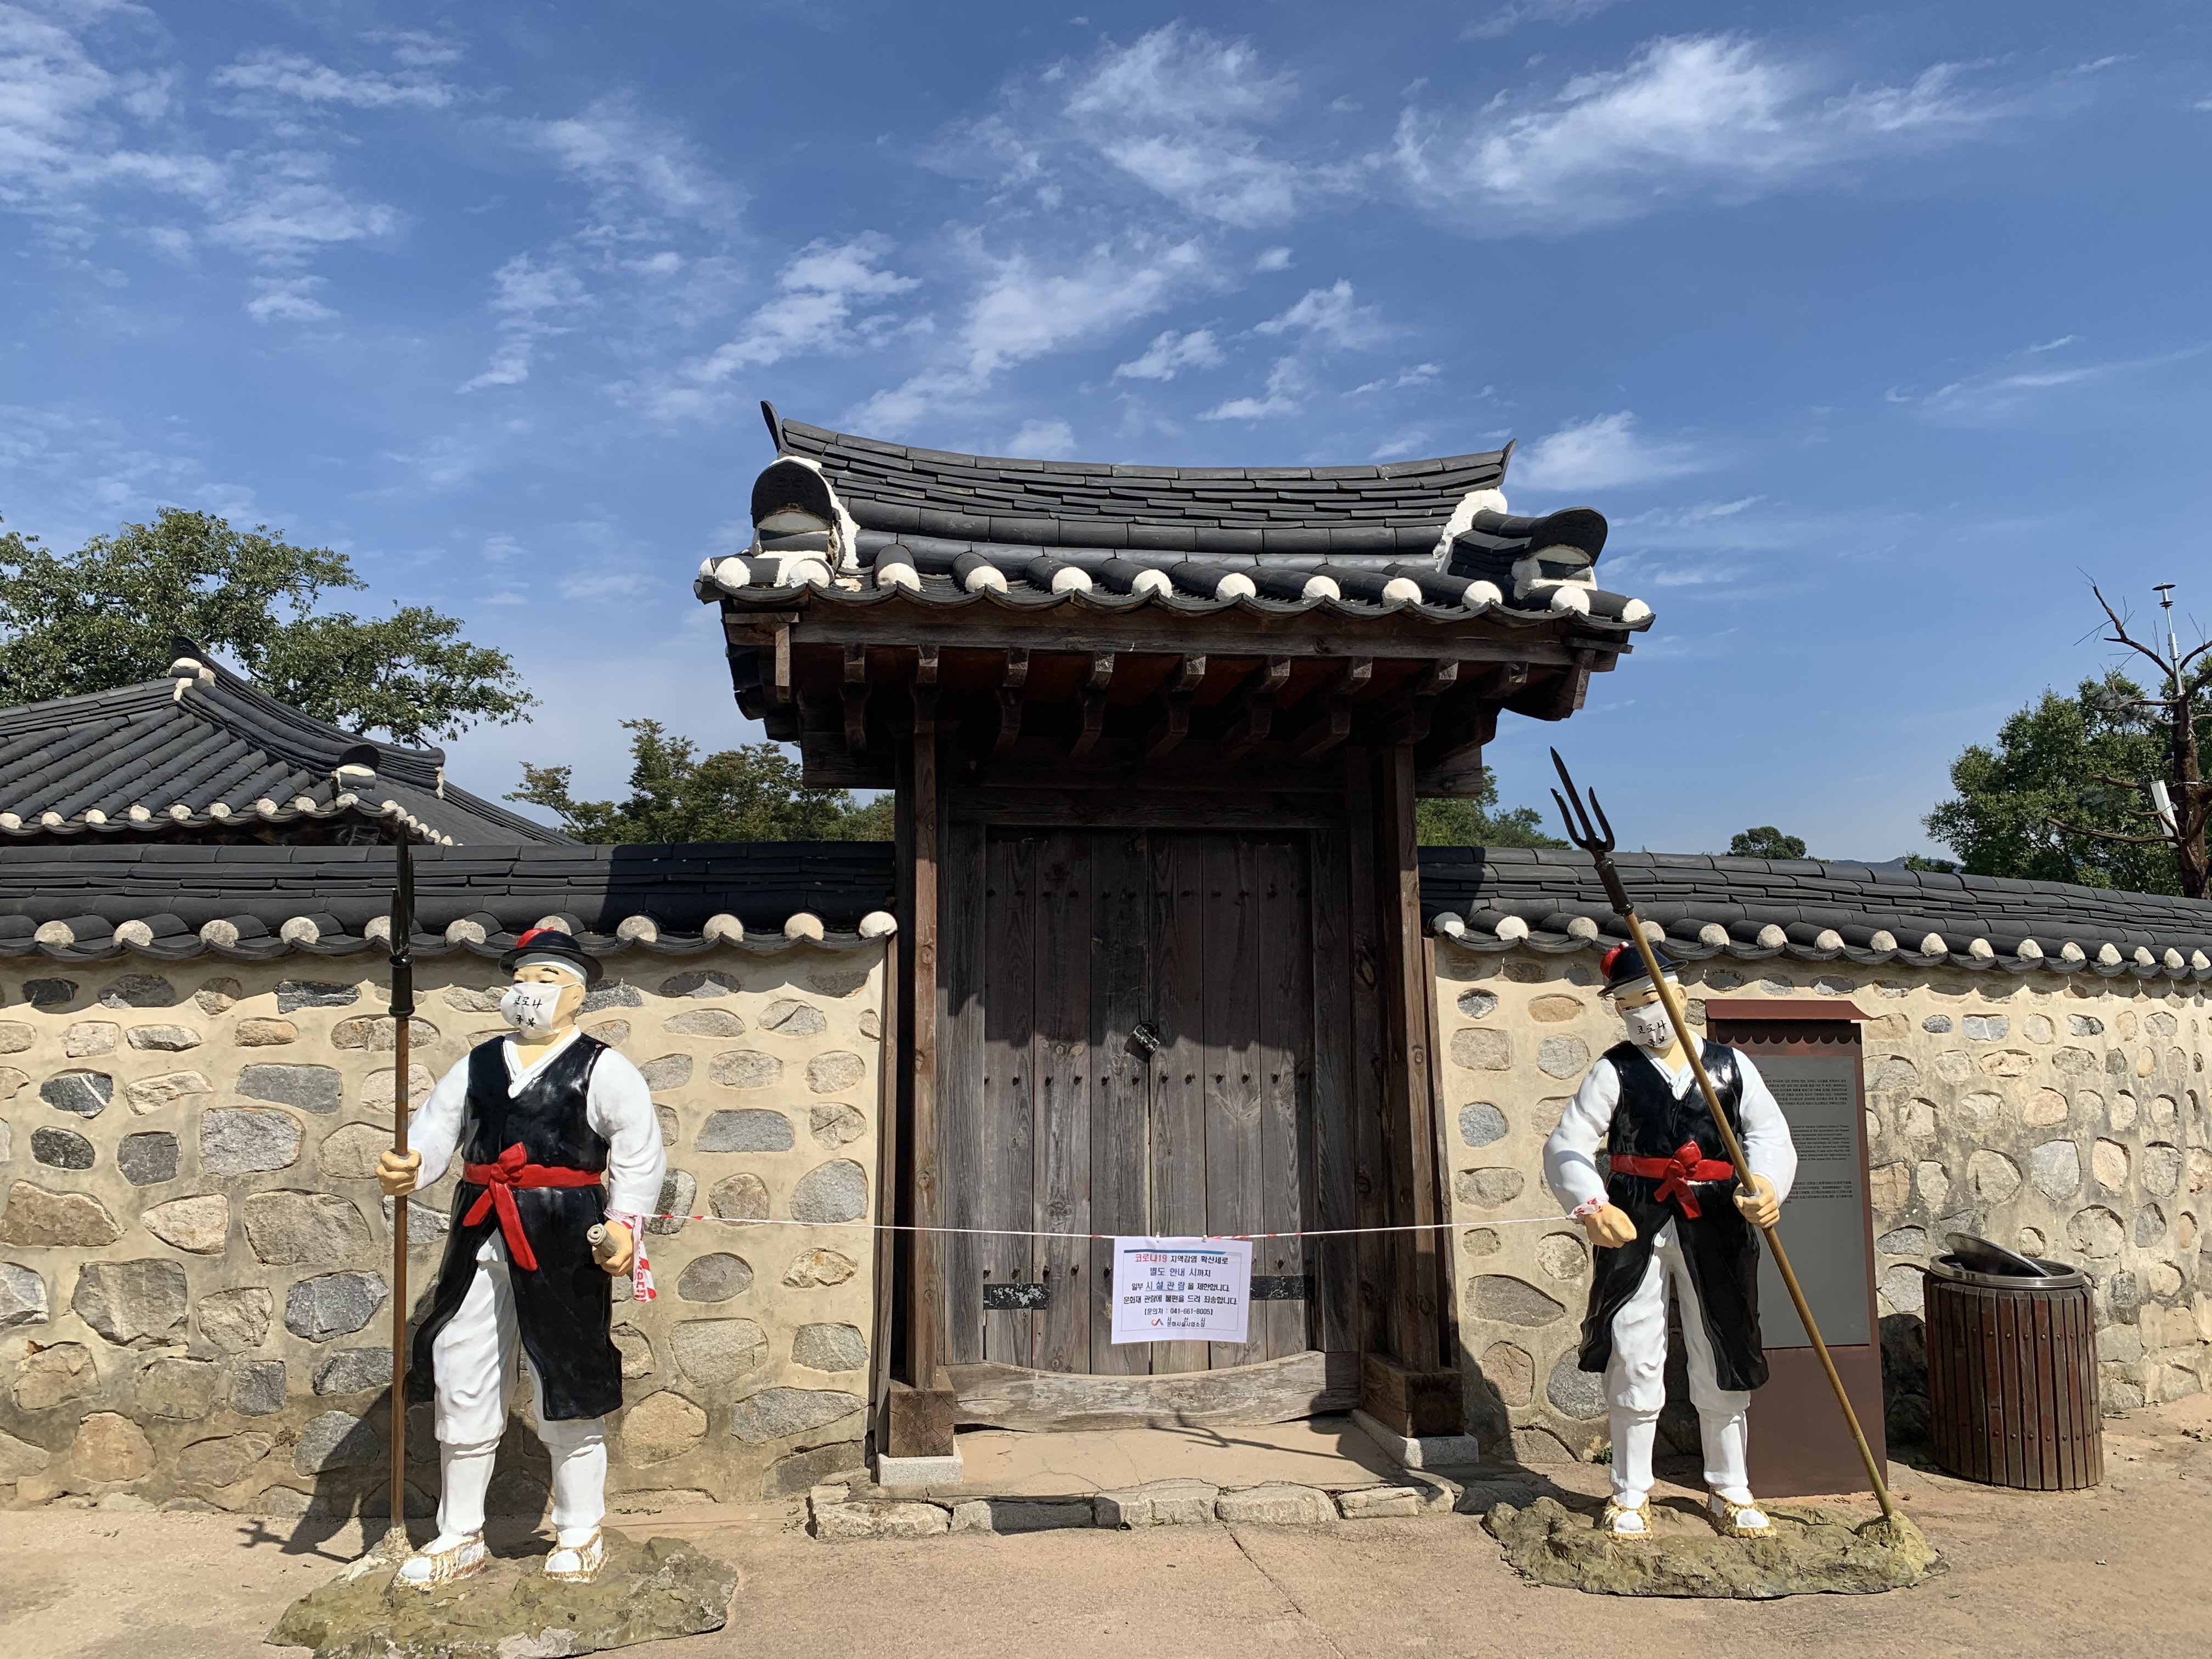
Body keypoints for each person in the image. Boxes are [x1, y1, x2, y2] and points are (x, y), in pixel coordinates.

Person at [376, 927, 665, 1587]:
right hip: (480, 1230)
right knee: (463, 1368)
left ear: (577, 994)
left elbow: (638, 1149)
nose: (529, 990)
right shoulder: (479, 1063)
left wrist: (625, 1224)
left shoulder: (602, 1068)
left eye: (546, 978)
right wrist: (410, 1164)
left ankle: (580, 1529)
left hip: (565, 1233)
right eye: (522, 978)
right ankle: (459, 1532)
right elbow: (435, 1129)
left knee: (568, 1368)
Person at [1541, 943, 1797, 1539]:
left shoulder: (1730, 1067)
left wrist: (1766, 1185)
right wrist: (1591, 1203)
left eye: (1651, 999)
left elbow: (1769, 1136)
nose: (1643, 1015)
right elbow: (1568, 1143)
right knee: (1635, 1351)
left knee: (1722, 1344)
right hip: (1637, 1221)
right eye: (1629, 1005)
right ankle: (1631, 1491)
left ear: (1679, 997)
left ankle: (1730, 1487)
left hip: (1718, 1220)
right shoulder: (1615, 1070)